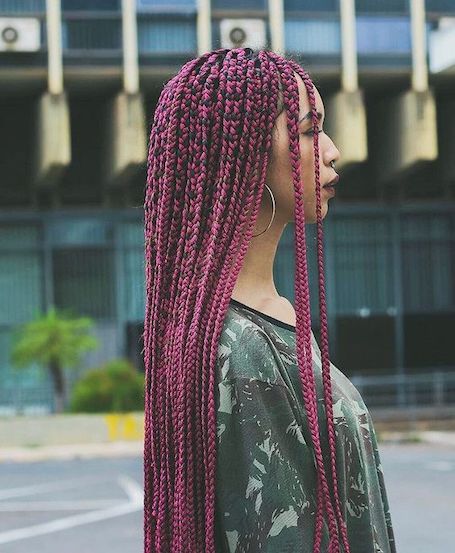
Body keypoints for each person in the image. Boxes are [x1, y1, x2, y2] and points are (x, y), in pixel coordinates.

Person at [143, 47, 397, 553]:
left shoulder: (256, 321)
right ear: (244, 156)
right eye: (307, 130)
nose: (331, 149)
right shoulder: (240, 347)